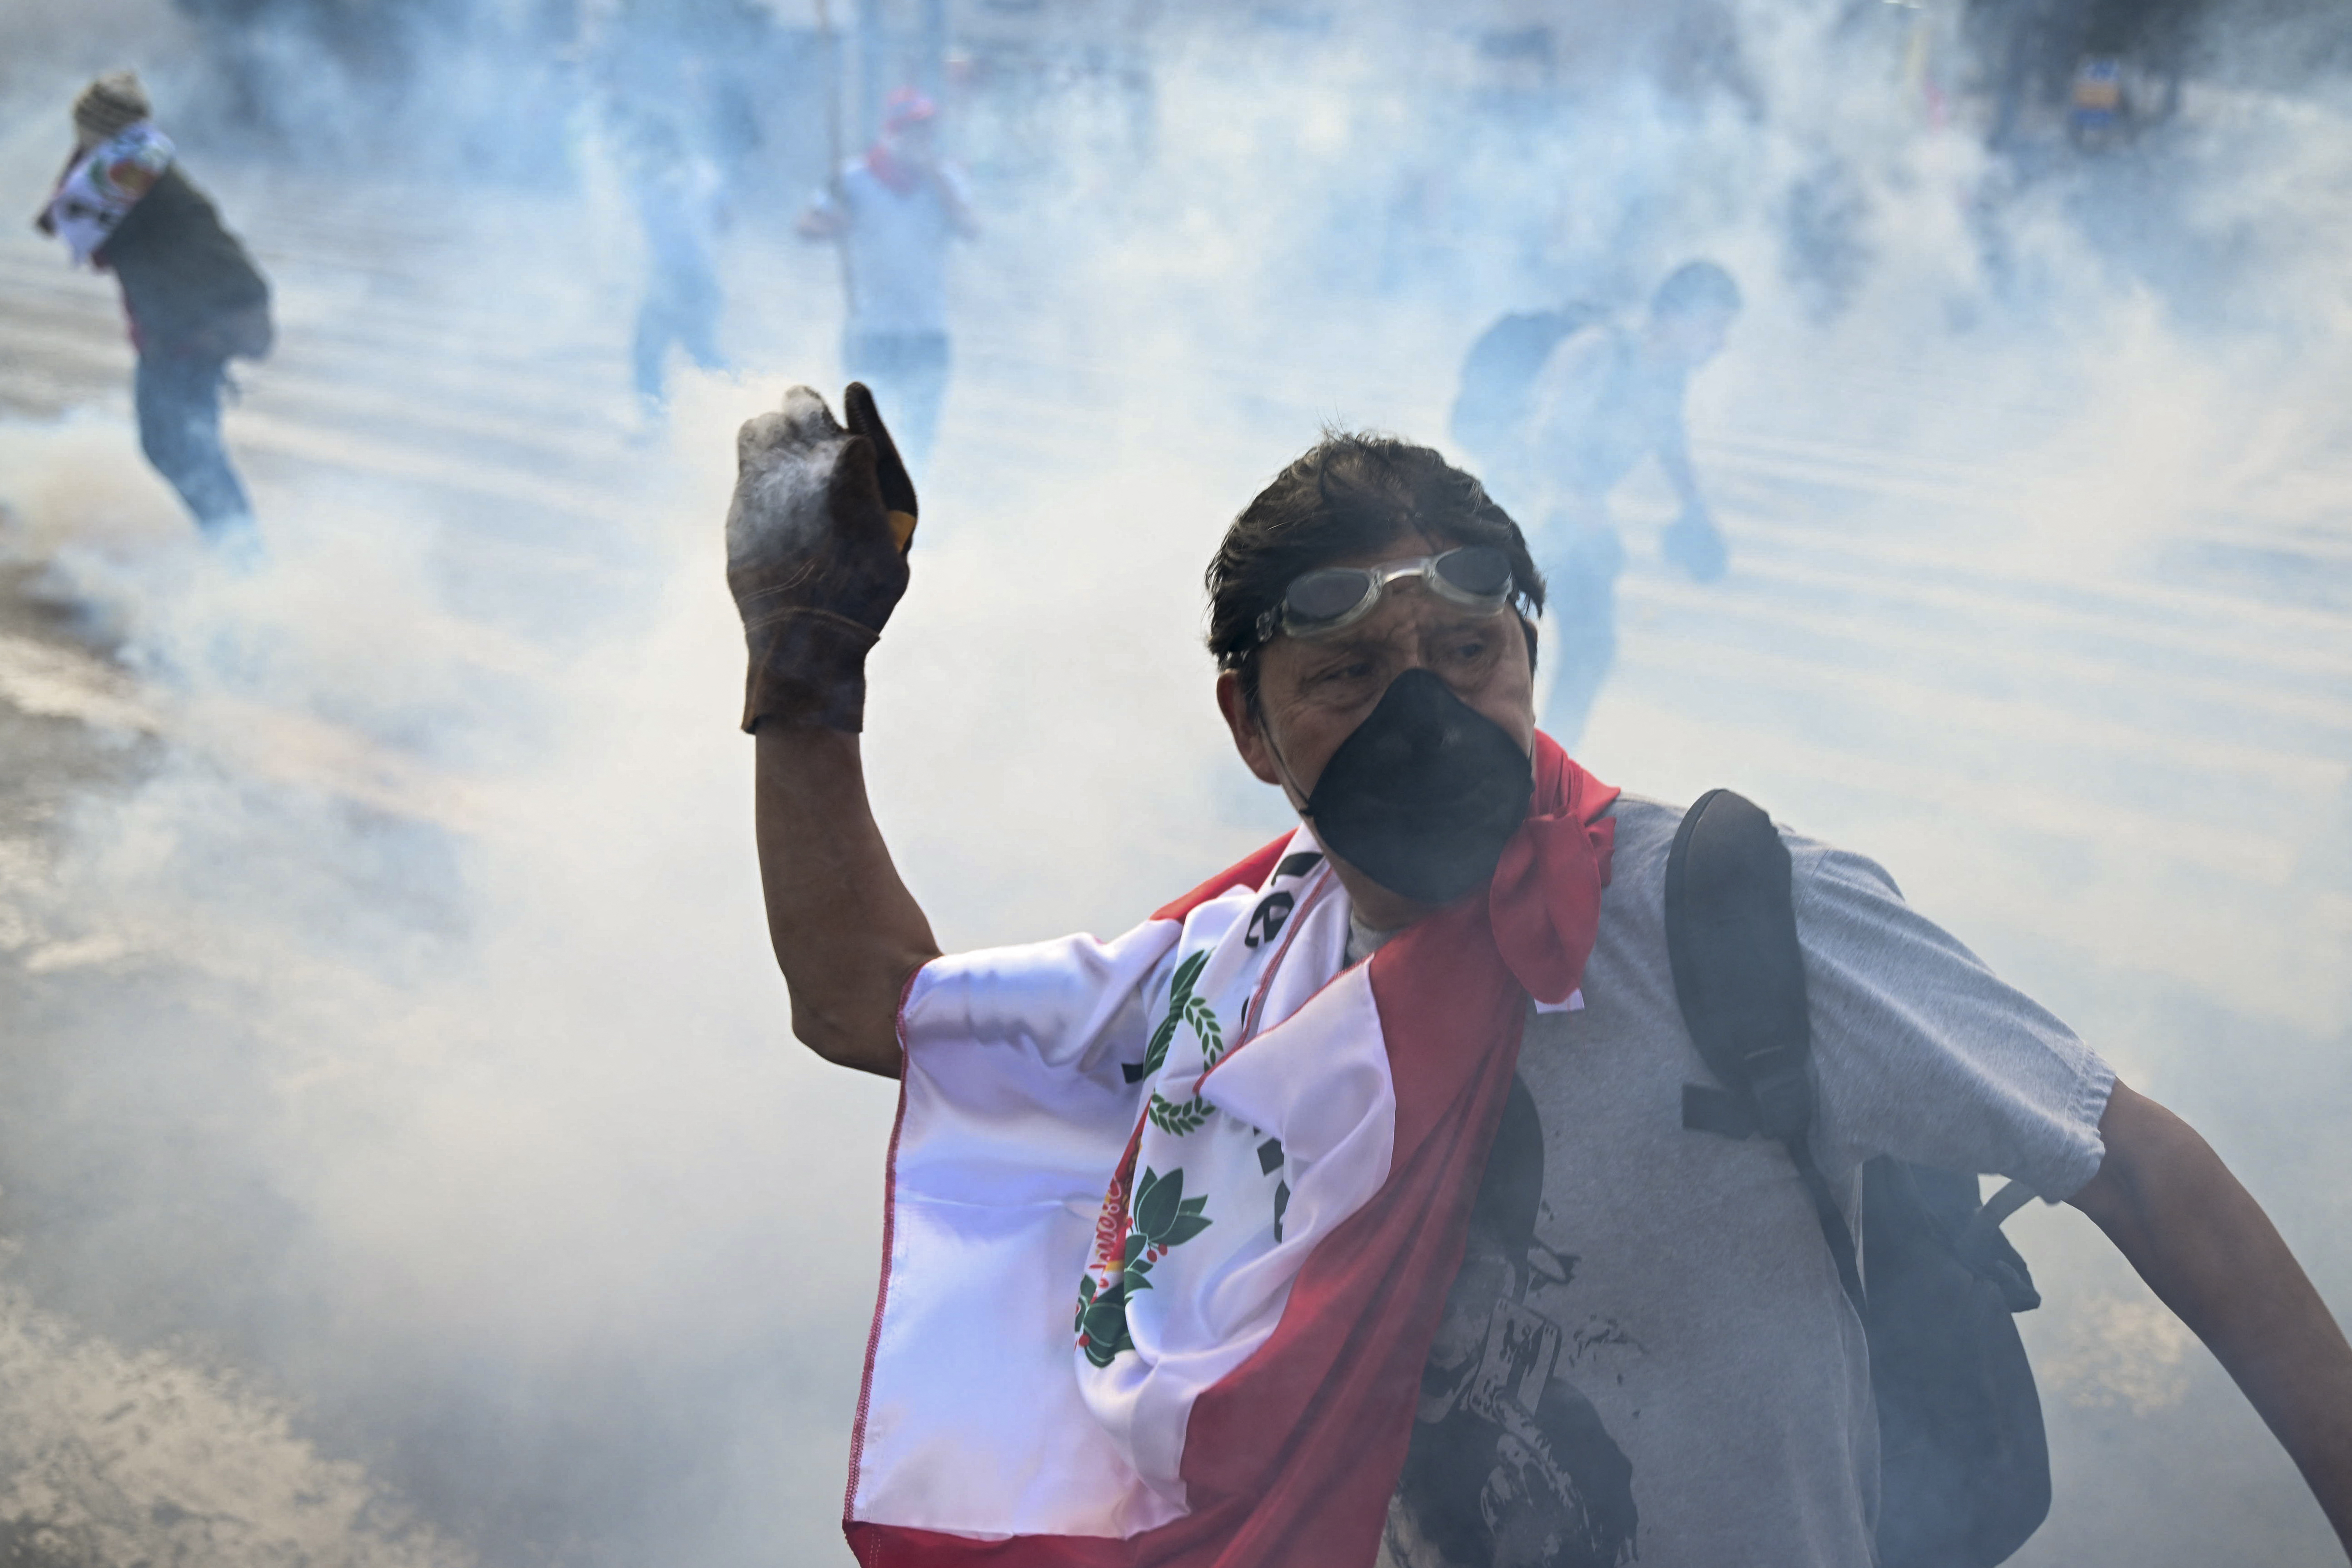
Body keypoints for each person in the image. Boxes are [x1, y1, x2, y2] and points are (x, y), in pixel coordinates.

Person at [722, 386, 2352, 1568]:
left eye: (1467, 656)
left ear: (1528, 661)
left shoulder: (1722, 904)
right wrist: (805, 669)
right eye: (1349, 673)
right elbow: (867, 997)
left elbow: (2126, 1150)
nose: (1423, 709)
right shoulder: (1234, 981)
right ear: (1250, 724)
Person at [1489, 260, 1740, 749]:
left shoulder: (1669, 374)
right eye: (1713, 326)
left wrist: (1694, 507)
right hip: (1517, 522)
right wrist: (1591, 518)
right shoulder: (1598, 352)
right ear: (1674, 316)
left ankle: (1548, 766)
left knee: (1591, 650)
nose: (1720, 342)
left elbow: (1669, 438)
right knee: (1493, 650)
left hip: (1574, 528)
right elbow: (1541, 443)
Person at [33, 72, 273, 548]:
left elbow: (71, 222)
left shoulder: (129, 169)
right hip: (193, 324)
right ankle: (238, 553)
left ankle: (243, 558)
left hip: (194, 329)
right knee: (181, 447)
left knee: (182, 450)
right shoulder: (139, 161)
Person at [795, 89, 975, 471]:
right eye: (913, 131)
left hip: (928, 330)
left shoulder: (946, 179)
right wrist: (836, 225)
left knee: (919, 437)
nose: (921, 141)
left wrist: (936, 179)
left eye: (927, 131)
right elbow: (806, 225)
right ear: (892, 132)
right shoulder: (853, 178)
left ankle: (909, 515)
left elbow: (970, 227)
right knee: (865, 435)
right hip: (870, 328)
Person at [620, 110, 730, 426]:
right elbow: (726, 218)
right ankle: (735, 402)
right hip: (701, 275)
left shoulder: (652, 175)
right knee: (700, 353)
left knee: (652, 354)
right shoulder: (705, 171)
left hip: (673, 277)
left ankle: (659, 422)